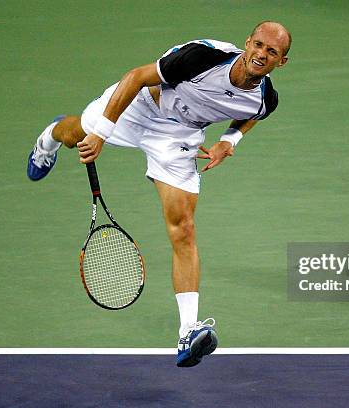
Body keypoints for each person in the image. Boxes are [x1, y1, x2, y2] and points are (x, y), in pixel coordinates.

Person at [27, 21, 291, 367]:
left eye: (272, 52)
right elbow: (136, 76)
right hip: (138, 106)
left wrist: (229, 141)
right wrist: (102, 134)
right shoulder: (204, 57)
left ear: (280, 63)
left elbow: (252, 115)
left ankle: (188, 331)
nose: (261, 54)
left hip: (177, 136)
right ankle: (50, 135)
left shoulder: (264, 99)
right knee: (78, 132)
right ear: (247, 43)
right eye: (258, 45)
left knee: (183, 228)